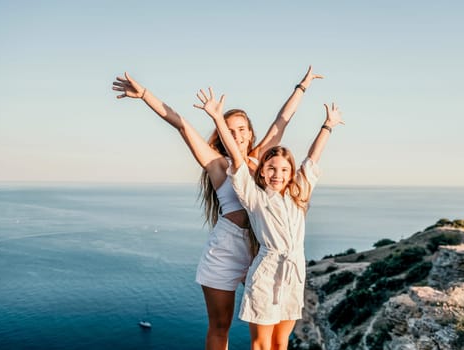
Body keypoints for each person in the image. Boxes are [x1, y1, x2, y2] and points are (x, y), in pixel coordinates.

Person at [111, 67, 322, 350]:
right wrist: (145, 95)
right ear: (221, 135)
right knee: (220, 326)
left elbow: (281, 121)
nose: (236, 135)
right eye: (230, 131)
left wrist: (303, 85)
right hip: (226, 249)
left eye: (241, 129)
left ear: (250, 133)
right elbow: (182, 124)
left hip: (262, 252)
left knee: (266, 335)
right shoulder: (216, 164)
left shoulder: (261, 161)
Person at [196, 89, 344, 350]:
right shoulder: (254, 197)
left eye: (285, 169)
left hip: (293, 274)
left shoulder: (299, 194)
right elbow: (239, 160)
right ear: (261, 173)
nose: (278, 174)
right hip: (265, 274)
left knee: (281, 342)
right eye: (271, 168)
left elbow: (312, 158)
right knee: (263, 344)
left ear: (291, 173)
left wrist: (327, 126)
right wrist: (218, 120)